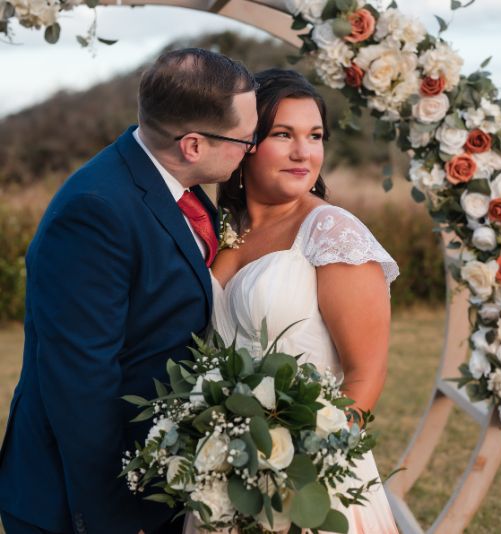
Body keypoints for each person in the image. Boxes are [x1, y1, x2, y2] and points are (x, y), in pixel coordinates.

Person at [0, 48, 257, 534]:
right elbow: (80, 382)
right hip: (76, 501)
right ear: (193, 145)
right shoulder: (96, 211)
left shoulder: (174, 183)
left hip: (152, 480)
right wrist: (112, 516)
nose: (253, 148)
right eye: (247, 138)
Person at [200, 68, 400, 533]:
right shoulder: (220, 232)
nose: (303, 153)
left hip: (310, 481)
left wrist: (301, 474)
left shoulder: (332, 233)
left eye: (314, 136)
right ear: (245, 143)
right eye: (283, 134)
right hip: (224, 472)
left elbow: (365, 375)